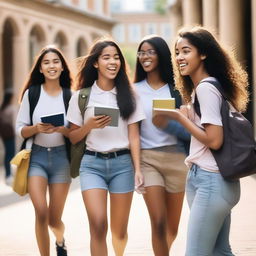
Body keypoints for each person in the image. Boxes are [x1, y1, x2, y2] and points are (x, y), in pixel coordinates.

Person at [153, 26, 249, 255]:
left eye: (186, 51)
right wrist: (189, 116)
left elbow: (214, 141)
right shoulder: (206, 87)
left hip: (212, 180)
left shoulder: (206, 88)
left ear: (203, 53)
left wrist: (178, 117)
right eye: (177, 52)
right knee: (220, 251)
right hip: (211, 180)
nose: (179, 58)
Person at [67, 38, 145, 256]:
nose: (113, 62)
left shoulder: (130, 95)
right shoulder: (81, 97)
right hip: (92, 165)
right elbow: (73, 137)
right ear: (95, 63)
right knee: (98, 226)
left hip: (122, 165)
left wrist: (138, 169)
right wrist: (88, 126)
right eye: (107, 57)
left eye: (116, 57)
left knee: (119, 233)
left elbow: (134, 136)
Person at [134, 35, 190, 256]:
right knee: (157, 222)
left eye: (150, 52)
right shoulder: (133, 90)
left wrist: (172, 120)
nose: (145, 57)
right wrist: (136, 167)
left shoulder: (178, 89)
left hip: (177, 159)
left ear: (161, 54)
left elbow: (190, 129)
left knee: (172, 228)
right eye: (141, 53)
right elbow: (133, 133)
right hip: (149, 160)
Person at [16, 45, 73, 256]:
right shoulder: (32, 94)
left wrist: (64, 130)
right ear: (40, 68)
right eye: (46, 62)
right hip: (36, 157)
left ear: (62, 67)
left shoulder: (70, 96)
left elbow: (76, 133)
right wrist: (35, 129)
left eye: (55, 62)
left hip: (61, 160)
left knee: (54, 218)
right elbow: (19, 129)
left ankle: (60, 240)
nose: (51, 66)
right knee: (41, 212)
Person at [0, 90, 16, 185]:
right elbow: (14, 122)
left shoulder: (2, 108)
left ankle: (8, 174)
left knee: (7, 154)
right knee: (11, 154)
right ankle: (9, 175)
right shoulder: (11, 108)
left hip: (4, 134)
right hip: (10, 134)